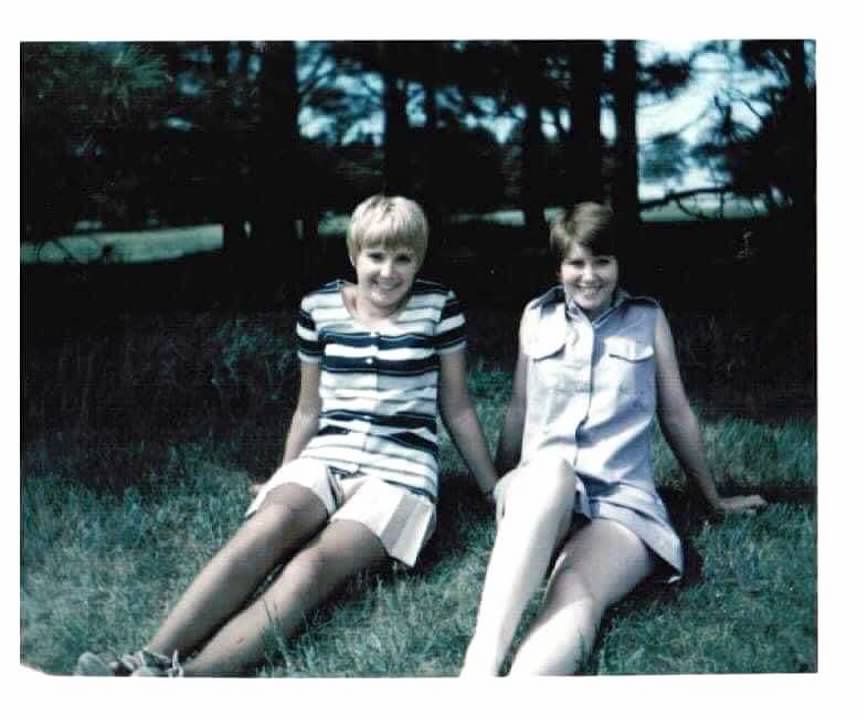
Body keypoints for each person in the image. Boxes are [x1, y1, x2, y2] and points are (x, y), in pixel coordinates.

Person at [75, 194, 498, 677]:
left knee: (311, 567)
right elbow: (308, 408)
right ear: (354, 254)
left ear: (419, 260)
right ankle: (143, 660)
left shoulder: (438, 307)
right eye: (376, 256)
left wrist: (490, 488)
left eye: (403, 258)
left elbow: (457, 407)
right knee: (268, 525)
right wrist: (283, 473)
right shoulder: (319, 308)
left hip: (400, 474)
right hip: (327, 455)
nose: (388, 271)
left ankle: (184, 683)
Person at [460, 202, 766, 677]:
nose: (589, 276)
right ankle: (480, 665)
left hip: (621, 504)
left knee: (576, 588)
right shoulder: (536, 317)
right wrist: (500, 485)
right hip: (544, 493)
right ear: (559, 268)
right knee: (552, 472)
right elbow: (519, 408)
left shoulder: (648, 320)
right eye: (576, 263)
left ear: (619, 264)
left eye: (602, 261)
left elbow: (676, 414)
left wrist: (713, 500)